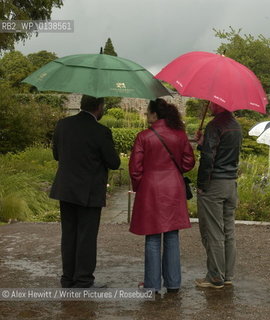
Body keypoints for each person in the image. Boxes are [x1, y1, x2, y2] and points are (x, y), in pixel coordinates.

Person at [50, 95, 120, 288]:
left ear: (81, 105)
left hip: (66, 189)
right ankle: (83, 278)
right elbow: (114, 162)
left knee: (69, 233)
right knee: (86, 236)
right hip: (89, 191)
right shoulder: (101, 131)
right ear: (99, 107)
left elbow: (57, 154)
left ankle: (67, 277)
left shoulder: (63, 125)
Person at [129, 99, 195, 294]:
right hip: (174, 188)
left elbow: (135, 169)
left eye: (148, 113)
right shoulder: (180, 135)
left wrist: (141, 187)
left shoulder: (143, 136)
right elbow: (188, 162)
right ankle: (173, 283)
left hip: (151, 189)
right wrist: (175, 172)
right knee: (172, 235)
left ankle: (152, 284)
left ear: (155, 115)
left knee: (153, 236)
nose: (146, 116)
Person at [194, 102, 242, 289]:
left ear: (218, 103)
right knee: (228, 231)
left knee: (213, 231)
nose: (210, 104)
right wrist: (202, 144)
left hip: (214, 184)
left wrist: (201, 185)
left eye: (212, 101)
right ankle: (227, 274)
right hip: (231, 184)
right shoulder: (236, 125)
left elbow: (209, 158)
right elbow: (223, 152)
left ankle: (215, 276)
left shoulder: (215, 125)